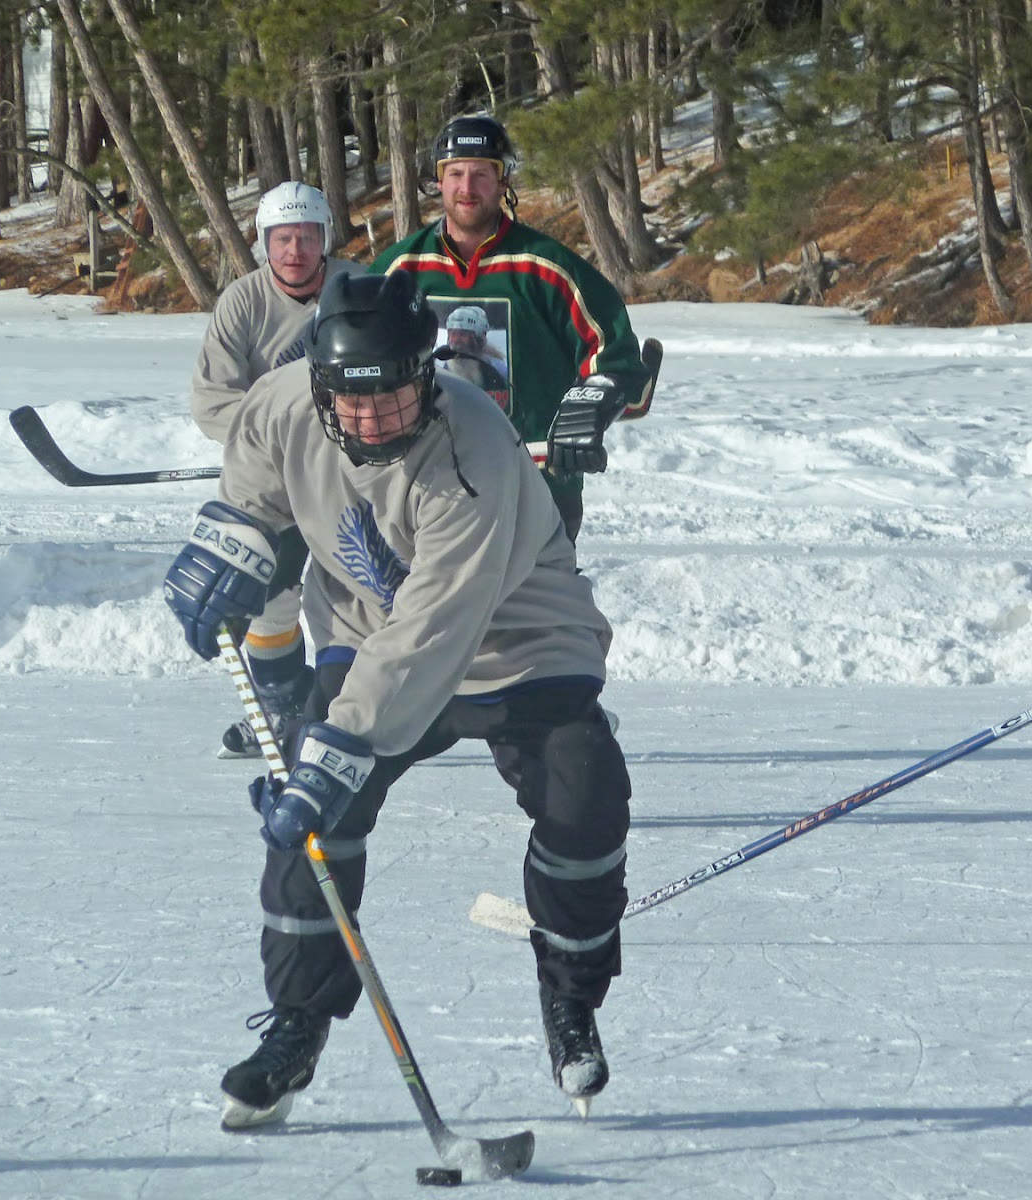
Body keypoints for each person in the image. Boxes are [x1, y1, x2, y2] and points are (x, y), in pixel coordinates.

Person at [162, 271, 632, 1128]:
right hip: (366, 624)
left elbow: (436, 629)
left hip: (518, 633)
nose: (373, 421)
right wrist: (231, 549)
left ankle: (572, 1003)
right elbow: (254, 490)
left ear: (428, 373)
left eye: (396, 398)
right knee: (318, 824)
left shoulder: (474, 448)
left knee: (585, 794)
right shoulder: (281, 405)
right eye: (352, 404)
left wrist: (339, 746)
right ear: (318, 385)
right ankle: (298, 1023)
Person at [370, 113, 650, 542]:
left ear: (503, 183)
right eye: (456, 173)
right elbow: (359, 361)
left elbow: (612, 353)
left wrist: (595, 402)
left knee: (541, 608)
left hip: (536, 487)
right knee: (434, 607)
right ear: (438, 181)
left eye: (482, 173)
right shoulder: (398, 270)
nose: (467, 187)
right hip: (429, 484)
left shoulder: (548, 268)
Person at [191, 181, 361, 759]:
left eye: (307, 237)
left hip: (354, 476)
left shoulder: (359, 288)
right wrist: (284, 437)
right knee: (270, 597)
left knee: (365, 591)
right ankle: (286, 707)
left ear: (325, 240)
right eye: (283, 238)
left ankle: (365, 708)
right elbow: (213, 401)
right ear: (265, 244)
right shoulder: (242, 302)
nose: (295, 250)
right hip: (272, 479)